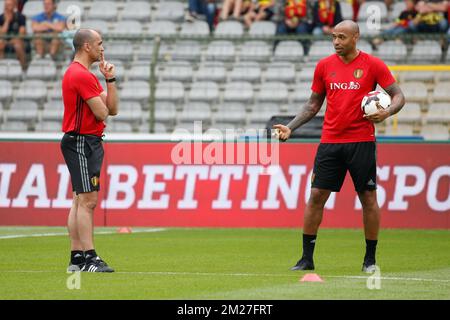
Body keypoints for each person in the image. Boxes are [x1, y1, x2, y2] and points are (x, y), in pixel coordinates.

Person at [273, 20, 405, 273]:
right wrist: (291, 127)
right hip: (330, 142)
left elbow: (399, 95)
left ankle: (370, 260)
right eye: (334, 37)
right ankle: (306, 258)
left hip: (361, 142)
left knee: (368, 198)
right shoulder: (324, 66)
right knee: (315, 197)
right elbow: (313, 105)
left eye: (342, 37)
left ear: (356, 37)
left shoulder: (373, 65)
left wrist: (386, 112)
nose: (336, 42)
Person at [61, 28, 118, 273]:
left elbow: (113, 109)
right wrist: (103, 99)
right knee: (88, 201)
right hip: (82, 142)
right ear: (86, 46)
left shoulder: (84, 75)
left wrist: (110, 80)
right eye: (99, 43)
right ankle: (90, 258)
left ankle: (76, 258)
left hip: (83, 141)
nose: (102, 48)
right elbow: (102, 112)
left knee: (79, 200)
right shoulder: (80, 75)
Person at [0, 0, 27, 70]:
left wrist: (12, 40)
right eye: (6, 5)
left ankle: (23, 68)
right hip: (4, 41)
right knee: (0, 44)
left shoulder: (21, 17)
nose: (7, 7)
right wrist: (7, 21)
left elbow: (22, 33)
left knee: (18, 45)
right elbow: (1, 33)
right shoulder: (1, 18)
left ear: (14, 6)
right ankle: (2, 68)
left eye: (9, 5)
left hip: (17, 41)